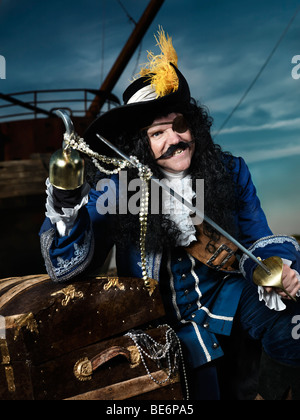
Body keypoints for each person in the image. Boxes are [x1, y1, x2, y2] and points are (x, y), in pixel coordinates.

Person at [40, 28, 300, 400]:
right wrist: (66, 207)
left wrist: (281, 267)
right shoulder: (116, 187)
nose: (174, 140)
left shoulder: (229, 170)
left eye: (179, 126)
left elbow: (259, 238)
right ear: (139, 145)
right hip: (160, 324)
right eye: (157, 132)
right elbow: (68, 265)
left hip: (229, 301)